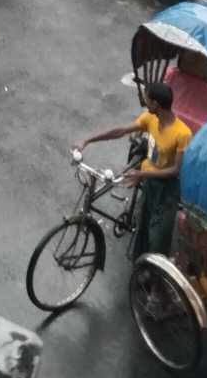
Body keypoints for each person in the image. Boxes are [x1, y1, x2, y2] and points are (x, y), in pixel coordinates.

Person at [73, 80, 190, 257]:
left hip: (167, 189)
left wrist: (142, 173)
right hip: (149, 180)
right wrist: (87, 140)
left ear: (156, 104)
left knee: (158, 237)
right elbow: (120, 131)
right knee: (142, 228)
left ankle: (154, 274)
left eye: (147, 99)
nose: (144, 102)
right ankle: (140, 268)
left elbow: (175, 170)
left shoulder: (182, 133)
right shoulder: (151, 118)